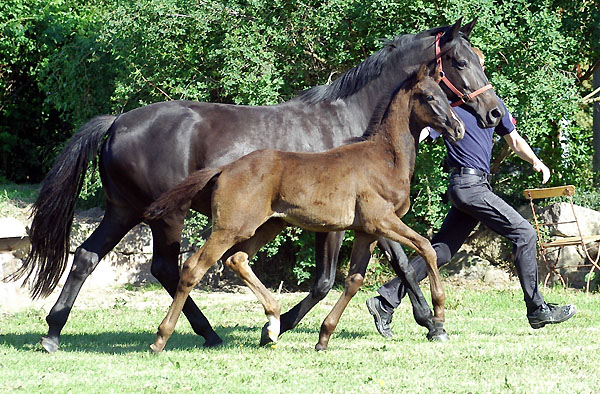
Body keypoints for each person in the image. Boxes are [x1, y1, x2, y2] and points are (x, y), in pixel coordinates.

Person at [366, 48, 576, 338]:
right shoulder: (449, 106)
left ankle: (385, 299)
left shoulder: (494, 106)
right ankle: (537, 309)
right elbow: (424, 131)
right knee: (525, 233)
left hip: (472, 187)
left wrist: (536, 161)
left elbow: (514, 140)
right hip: (467, 186)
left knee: (441, 250)